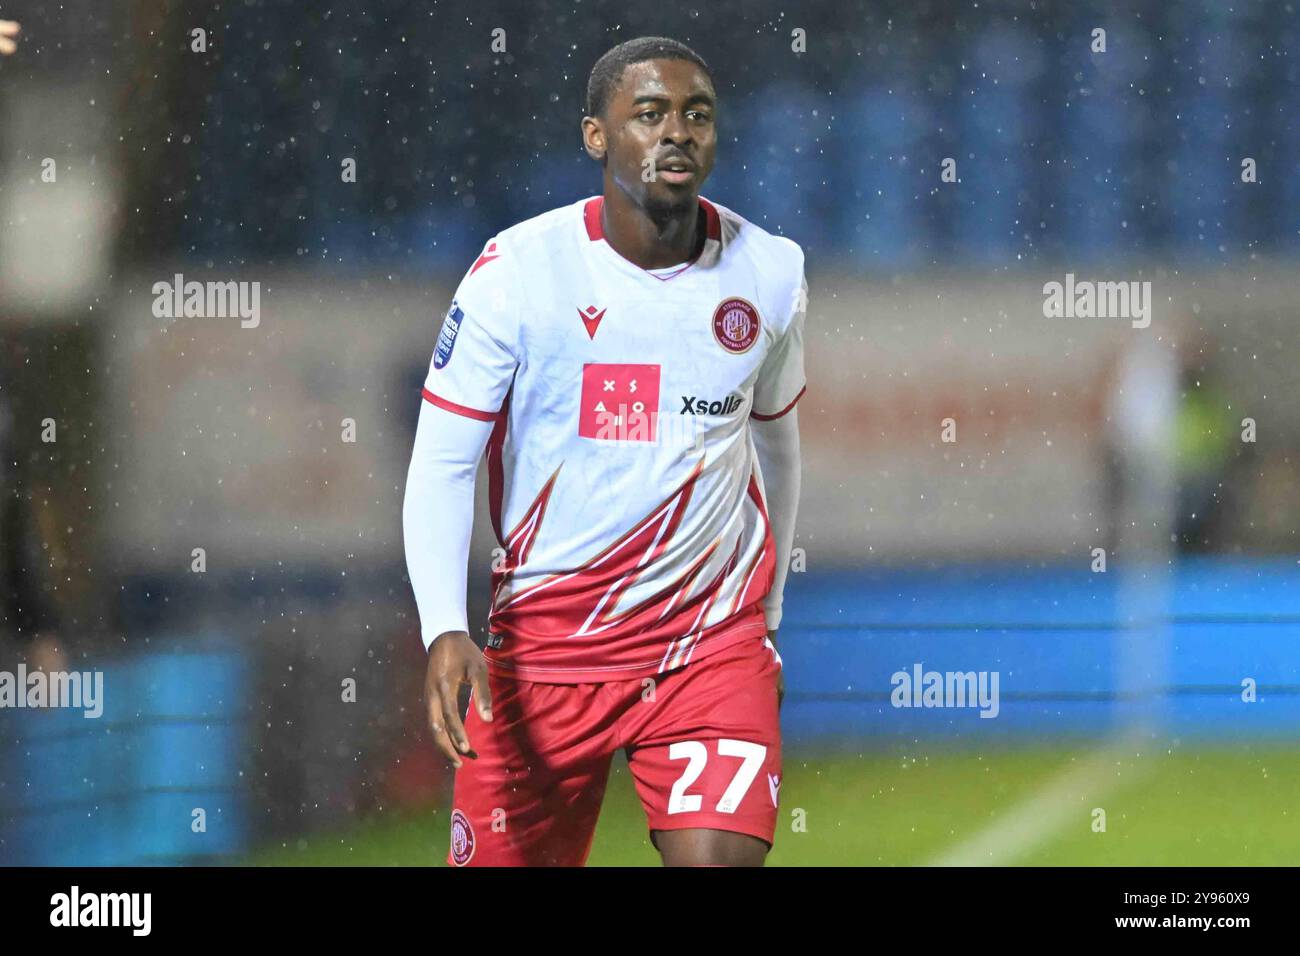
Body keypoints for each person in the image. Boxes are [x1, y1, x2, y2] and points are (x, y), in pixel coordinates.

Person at [403, 36, 805, 867]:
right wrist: (444, 627)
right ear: (596, 136)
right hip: (545, 655)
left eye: (698, 115)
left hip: (707, 644)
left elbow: (777, 443)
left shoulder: (770, 272)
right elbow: (443, 462)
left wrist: (765, 617)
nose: (678, 133)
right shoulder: (515, 276)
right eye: (650, 113)